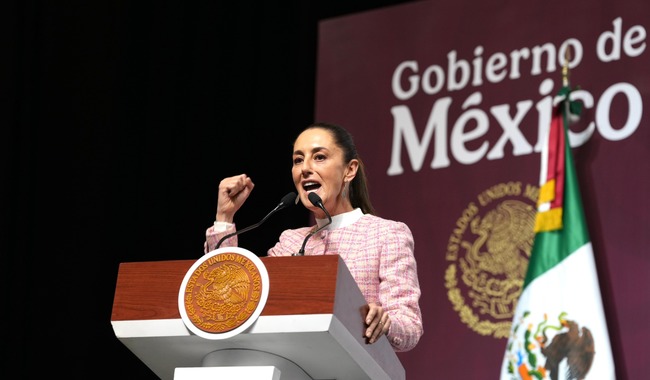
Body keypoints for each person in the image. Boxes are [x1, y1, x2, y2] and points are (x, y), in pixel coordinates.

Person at [204, 122, 423, 352]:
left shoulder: (387, 234)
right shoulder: (290, 241)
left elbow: (410, 325)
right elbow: (227, 295)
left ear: (349, 170)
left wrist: (386, 323)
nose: (305, 168)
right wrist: (224, 217)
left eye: (319, 157)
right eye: (298, 160)